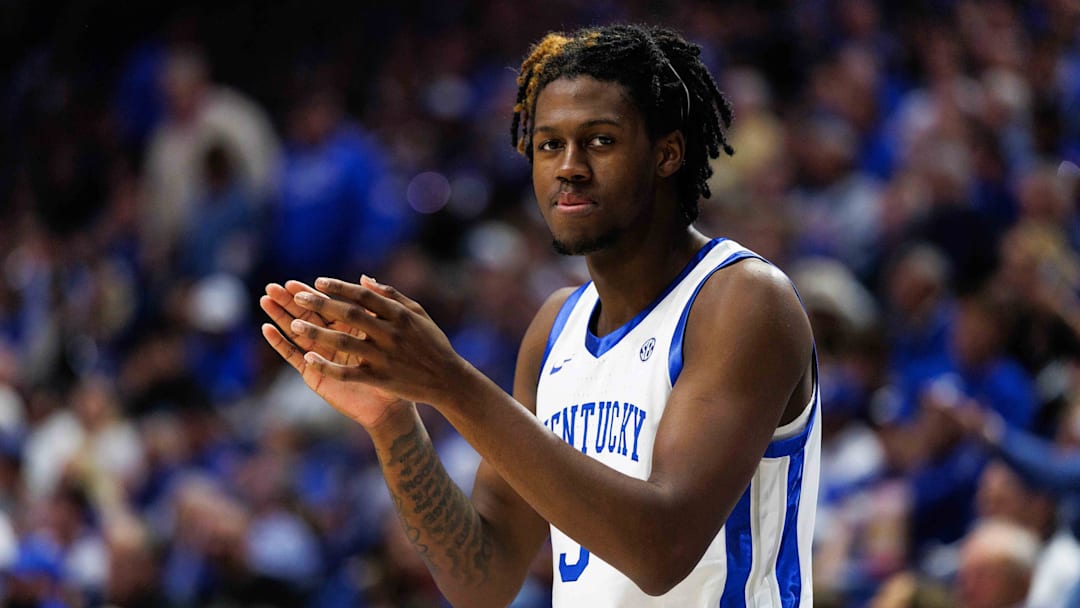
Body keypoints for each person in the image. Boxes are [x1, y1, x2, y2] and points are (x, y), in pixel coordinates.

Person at [260, 24, 818, 607]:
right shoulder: (555, 329)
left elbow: (662, 552)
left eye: (599, 140)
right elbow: (484, 578)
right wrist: (392, 418)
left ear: (667, 153)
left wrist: (449, 382)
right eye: (549, 145)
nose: (568, 167)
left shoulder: (742, 301)